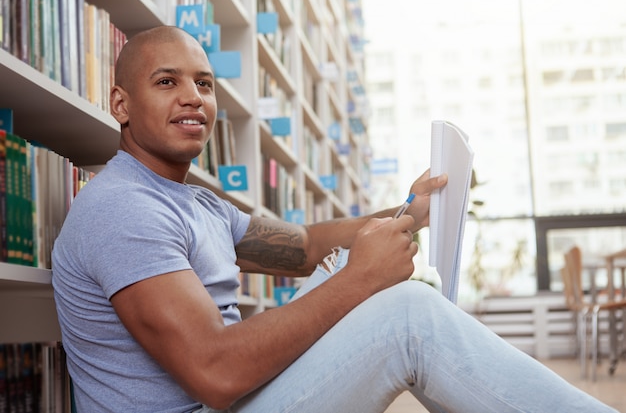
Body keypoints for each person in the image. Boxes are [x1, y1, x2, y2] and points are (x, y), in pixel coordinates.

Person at [51, 25, 616, 413]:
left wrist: (410, 214)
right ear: (121, 105)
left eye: (204, 82)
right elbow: (214, 374)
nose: (194, 97)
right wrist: (362, 279)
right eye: (167, 82)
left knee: (368, 279)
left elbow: (301, 247)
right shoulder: (122, 207)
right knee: (408, 317)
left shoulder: (197, 203)